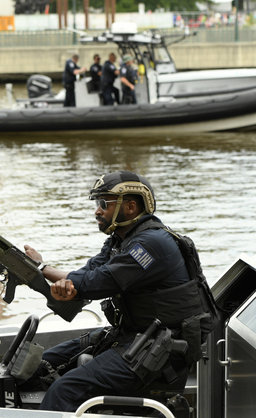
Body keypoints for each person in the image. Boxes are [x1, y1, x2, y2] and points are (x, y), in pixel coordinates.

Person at [23, 171, 211, 412]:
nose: (97, 211)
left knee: (64, 390)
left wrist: (54, 276)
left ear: (130, 207)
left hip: (158, 349)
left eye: (104, 204)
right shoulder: (121, 239)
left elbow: (99, 282)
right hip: (131, 336)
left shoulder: (150, 244)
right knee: (42, 362)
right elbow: (88, 272)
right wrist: (40, 267)